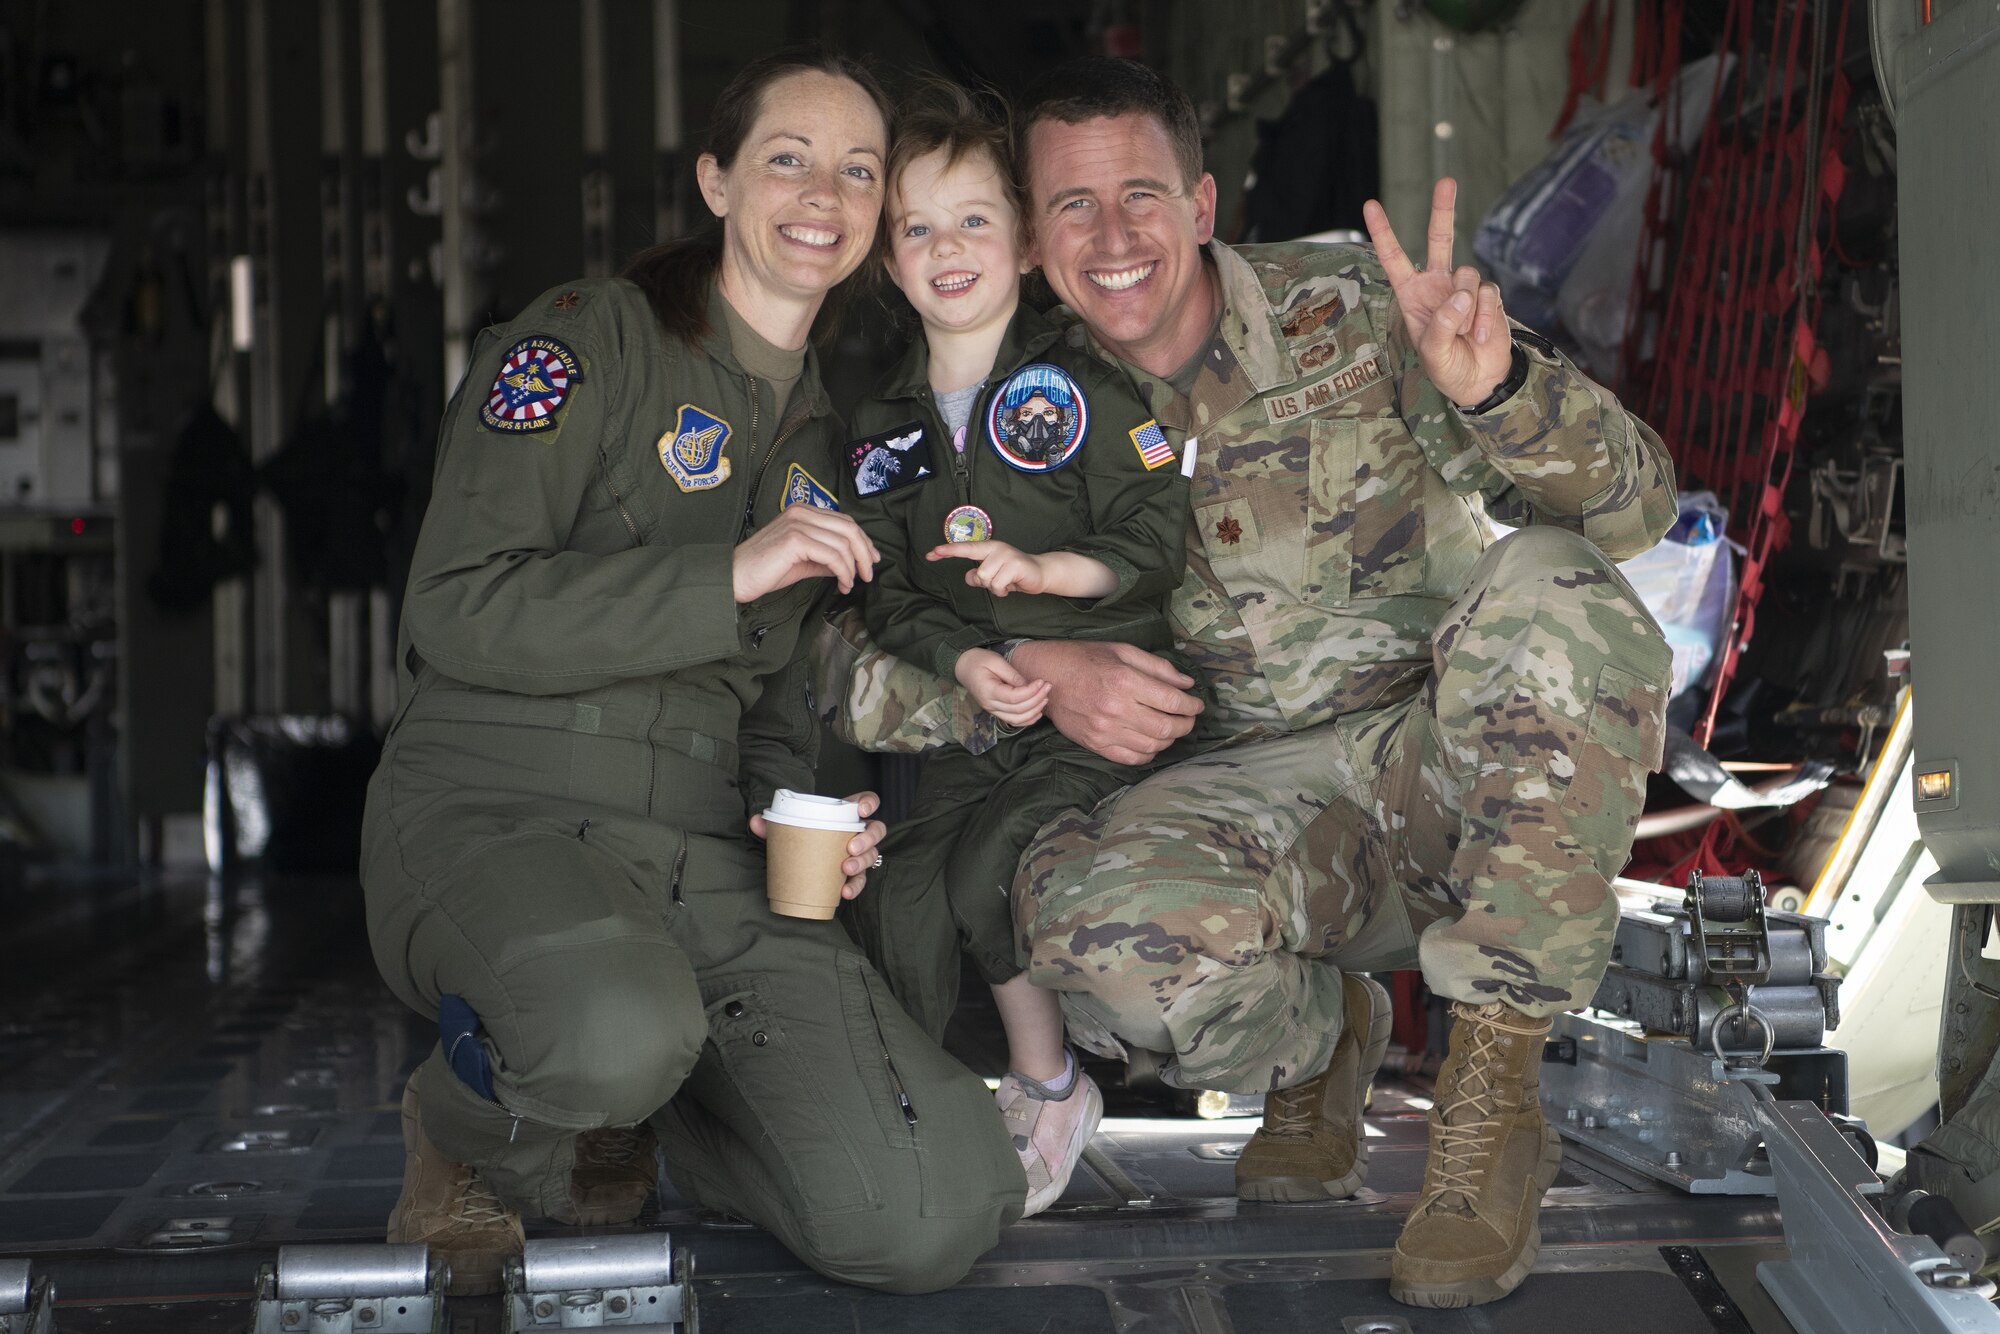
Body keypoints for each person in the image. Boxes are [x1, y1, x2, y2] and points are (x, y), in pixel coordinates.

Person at [834, 58, 1675, 1309]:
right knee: (1082, 937)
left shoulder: (1355, 310)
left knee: (1553, 588)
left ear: (1204, 202)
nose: (1111, 237)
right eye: (1069, 206)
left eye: (1141, 196)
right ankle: (1317, 1037)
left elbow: (1635, 506)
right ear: (1028, 234)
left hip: (1436, 767)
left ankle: (1489, 1091)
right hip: (1231, 812)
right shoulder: (1012, 398)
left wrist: (1495, 392)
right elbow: (860, 642)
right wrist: (1025, 668)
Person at [359, 48, 1024, 1298]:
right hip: (492, 808)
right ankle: (462, 1128)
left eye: (858, 169)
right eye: (788, 157)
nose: (822, 190)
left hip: (705, 852)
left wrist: (804, 817)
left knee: (940, 1199)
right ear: (717, 182)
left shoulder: (830, 441)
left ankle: (657, 1119)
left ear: (881, 216)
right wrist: (727, 570)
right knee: (612, 1027)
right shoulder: (586, 343)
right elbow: (455, 606)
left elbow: (774, 709)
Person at [837, 82, 1190, 1217]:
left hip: (1091, 715)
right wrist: (956, 661)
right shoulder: (882, 425)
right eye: (918, 228)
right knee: (898, 900)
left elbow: (1153, 526)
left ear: (1027, 245)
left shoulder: (1080, 384)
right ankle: (923, 1112)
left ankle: (1048, 1084)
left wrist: (1054, 579)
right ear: (887, 262)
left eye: (974, 219)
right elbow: (891, 591)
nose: (948, 249)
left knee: (991, 869)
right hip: (978, 712)